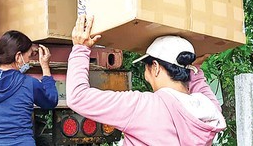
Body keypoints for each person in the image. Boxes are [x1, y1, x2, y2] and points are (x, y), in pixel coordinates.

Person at [66, 14, 226, 146]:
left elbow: (77, 97)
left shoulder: (142, 107)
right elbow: (201, 87)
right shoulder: (208, 109)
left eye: (146, 66)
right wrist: (195, 69)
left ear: (155, 67)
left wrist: (80, 49)